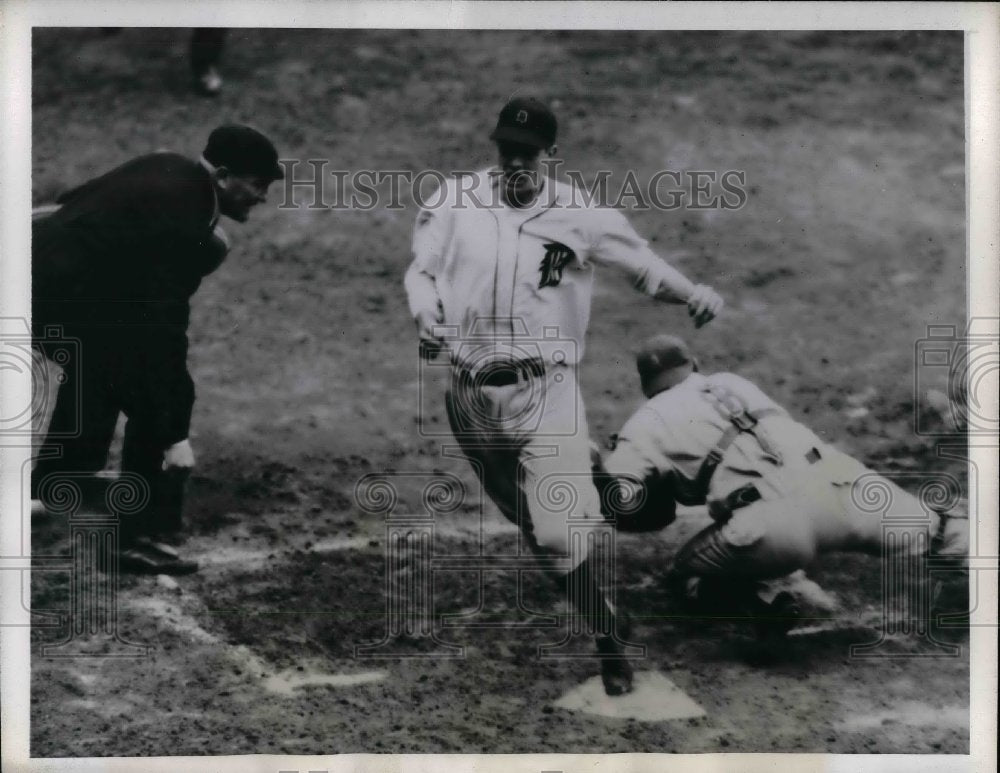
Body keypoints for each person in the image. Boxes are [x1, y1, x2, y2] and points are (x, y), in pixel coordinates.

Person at [404, 97, 724, 695]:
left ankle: (608, 641)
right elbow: (420, 271)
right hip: (470, 399)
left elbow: (644, 268)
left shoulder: (580, 215)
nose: (514, 164)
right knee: (534, 530)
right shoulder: (453, 201)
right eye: (506, 152)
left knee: (556, 535)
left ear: (551, 155)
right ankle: (607, 606)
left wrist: (694, 292)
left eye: (526, 154)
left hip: (544, 392)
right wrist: (425, 311)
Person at [32, 124, 283, 575]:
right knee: (151, 398)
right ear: (223, 176)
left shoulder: (165, 163)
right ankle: (132, 537)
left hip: (38, 278)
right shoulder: (189, 224)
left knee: (101, 374)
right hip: (56, 299)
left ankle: (51, 485)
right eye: (258, 185)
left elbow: (72, 198)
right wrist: (173, 436)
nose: (262, 197)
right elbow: (162, 332)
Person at [595, 334, 970, 629]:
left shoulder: (643, 425)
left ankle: (767, 600)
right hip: (841, 483)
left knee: (687, 574)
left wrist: (598, 472)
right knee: (937, 528)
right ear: (695, 364)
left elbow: (620, 497)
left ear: (646, 388)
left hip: (773, 526)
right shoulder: (729, 382)